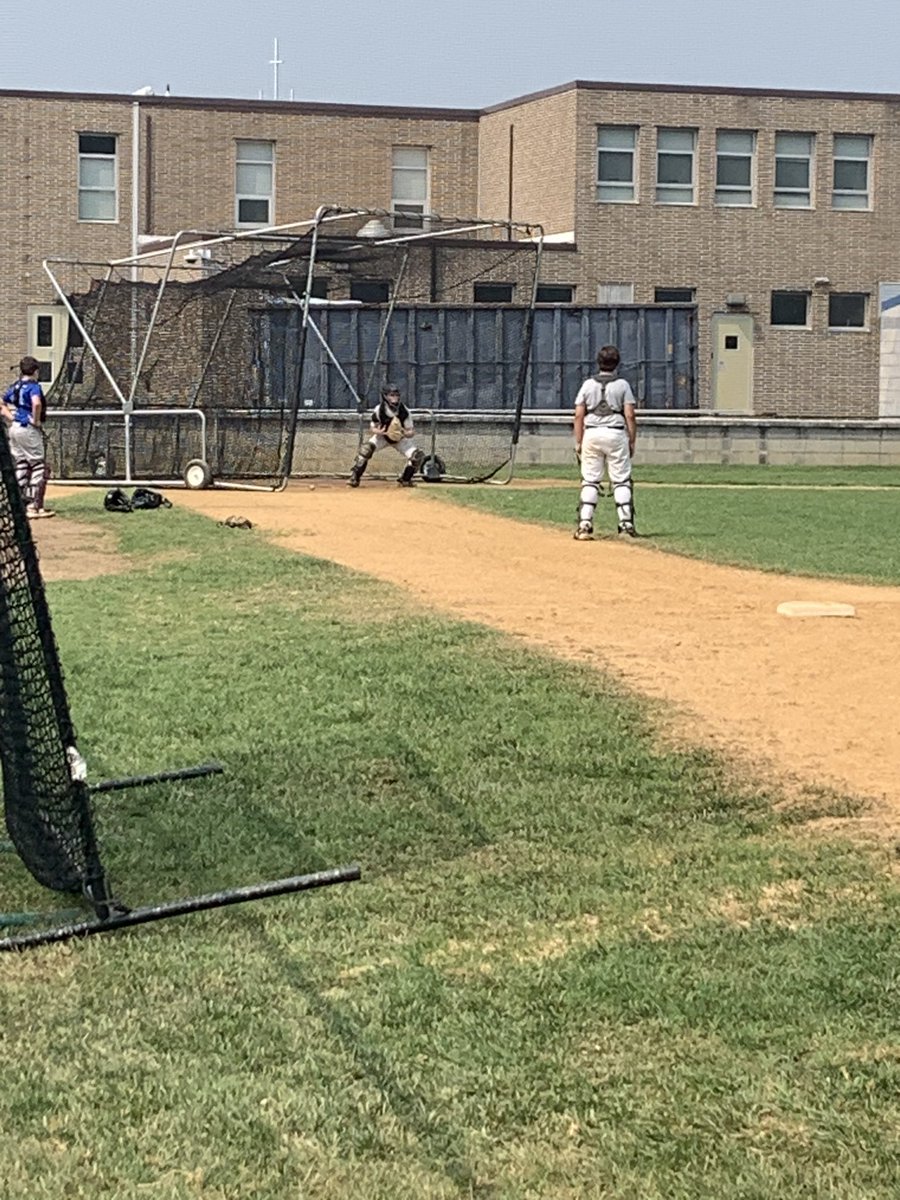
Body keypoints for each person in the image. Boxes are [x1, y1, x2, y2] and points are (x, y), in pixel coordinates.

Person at [572, 344, 636, 540]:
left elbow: (578, 415)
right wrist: (632, 440)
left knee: (590, 480)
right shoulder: (623, 385)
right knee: (621, 480)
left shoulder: (587, 385)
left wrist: (578, 441)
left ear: (598, 362)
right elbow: (630, 415)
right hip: (616, 434)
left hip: (592, 433)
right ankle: (625, 524)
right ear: (617, 364)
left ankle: (584, 524)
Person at [1, 356, 54, 518]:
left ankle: (17, 504)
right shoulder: (33, 386)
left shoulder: (16, 386)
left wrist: (11, 417)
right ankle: (33, 505)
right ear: (35, 371)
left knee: (22, 464)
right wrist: (36, 421)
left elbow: (2, 403)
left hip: (15, 428)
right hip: (28, 429)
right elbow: (36, 403)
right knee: (38, 465)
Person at [348, 383, 425, 488]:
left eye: (396, 395)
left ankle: (405, 479)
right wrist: (379, 432)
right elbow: (372, 427)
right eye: (391, 395)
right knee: (366, 450)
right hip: (383, 437)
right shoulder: (380, 409)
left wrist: (404, 433)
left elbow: (411, 431)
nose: (395, 398)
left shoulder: (404, 411)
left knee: (417, 456)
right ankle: (355, 478)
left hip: (399, 439)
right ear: (385, 396)